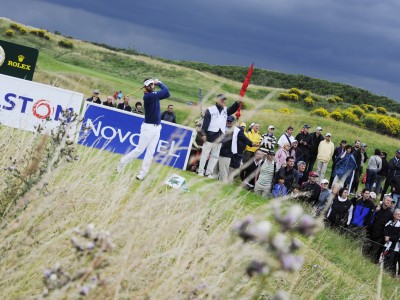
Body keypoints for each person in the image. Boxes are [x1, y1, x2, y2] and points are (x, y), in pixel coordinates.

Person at [116, 78, 170, 180]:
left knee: (150, 153)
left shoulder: (154, 94)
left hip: (157, 128)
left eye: (152, 84)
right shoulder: (148, 96)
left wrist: (157, 84)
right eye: (150, 85)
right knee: (140, 150)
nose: (152, 86)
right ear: (146, 87)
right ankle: (122, 162)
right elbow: (165, 90)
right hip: (148, 128)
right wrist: (159, 83)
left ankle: (142, 174)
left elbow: (168, 94)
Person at [197, 94, 240, 177]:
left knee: (215, 156)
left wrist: (237, 103)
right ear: (217, 100)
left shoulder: (225, 110)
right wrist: (203, 134)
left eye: (224, 100)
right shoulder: (210, 110)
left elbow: (232, 109)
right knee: (205, 155)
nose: (223, 101)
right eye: (221, 99)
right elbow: (205, 123)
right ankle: (200, 171)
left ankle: (209, 172)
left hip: (220, 136)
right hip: (210, 135)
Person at [213, 116, 253, 183]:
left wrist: (250, 143)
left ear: (233, 122)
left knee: (223, 174)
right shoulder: (222, 128)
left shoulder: (236, 131)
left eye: (230, 121)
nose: (228, 123)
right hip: (217, 152)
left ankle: (221, 187)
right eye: (227, 121)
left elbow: (243, 138)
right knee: (214, 171)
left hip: (226, 154)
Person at [363, 195, 394, 263]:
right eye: (387, 200)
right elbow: (369, 217)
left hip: (380, 236)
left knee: (373, 254)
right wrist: (375, 211)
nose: (389, 202)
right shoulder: (376, 208)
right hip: (370, 232)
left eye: (390, 201)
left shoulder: (391, 214)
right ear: (383, 200)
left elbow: (390, 227)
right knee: (365, 250)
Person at [382, 209, 400, 277]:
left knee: (392, 261)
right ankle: (383, 272)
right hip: (386, 244)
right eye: (397, 214)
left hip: (395, 246)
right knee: (385, 258)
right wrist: (386, 236)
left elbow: (398, 237)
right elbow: (385, 230)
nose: (399, 215)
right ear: (394, 215)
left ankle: (392, 275)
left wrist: (389, 238)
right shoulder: (390, 222)